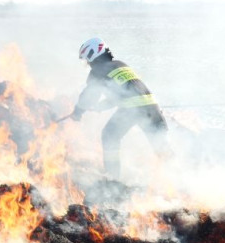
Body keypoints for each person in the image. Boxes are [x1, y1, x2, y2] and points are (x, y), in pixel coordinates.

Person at [71, 37, 169, 179]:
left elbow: (90, 95)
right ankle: (181, 180)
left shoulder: (98, 70)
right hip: (152, 108)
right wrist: (101, 106)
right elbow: (124, 93)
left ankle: (112, 178)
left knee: (109, 136)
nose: (89, 64)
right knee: (161, 147)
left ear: (93, 54)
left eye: (87, 60)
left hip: (133, 110)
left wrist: (78, 112)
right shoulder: (121, 65)